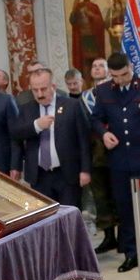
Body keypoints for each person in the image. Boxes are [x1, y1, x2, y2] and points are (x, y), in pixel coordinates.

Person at [89, 52, 140, 272]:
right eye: (115, 76)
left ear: (130, 67)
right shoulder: (104, 90)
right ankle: (132, 253)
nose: (120, 80)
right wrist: (104, 134)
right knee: (124, 210)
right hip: (119, 160)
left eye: (124, 74)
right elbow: (95, 119)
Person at [11, 67, 91, 207]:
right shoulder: (27, 108)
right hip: (39, 175)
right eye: (35, 90)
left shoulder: (72, 105)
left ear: (53, 86)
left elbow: (84, 140)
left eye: (43, 89)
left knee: (69, 217)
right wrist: (36, 125)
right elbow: (16, 134)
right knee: (46, 220)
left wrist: (85, 170)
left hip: (67, 174)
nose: (39, 94)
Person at [78, 58, 119, 252]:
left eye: (101, 66)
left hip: (115, 150)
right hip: (95, 154)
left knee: (118, 195)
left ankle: (125, 235)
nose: (97, 69)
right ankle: (109, 235)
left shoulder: (116, 92)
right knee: (101, 197)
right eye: (94, 66)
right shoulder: (84, 96)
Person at [69, 0, 108, 78]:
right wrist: (74, 8)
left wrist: (91, 15)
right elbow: (73, 21)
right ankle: (86, 82)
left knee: (94, 60)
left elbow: (101, 23)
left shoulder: (94, 7)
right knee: (84, 62)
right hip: (83, 38)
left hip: (93, 38)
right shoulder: (78, 6)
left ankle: (96, 80)